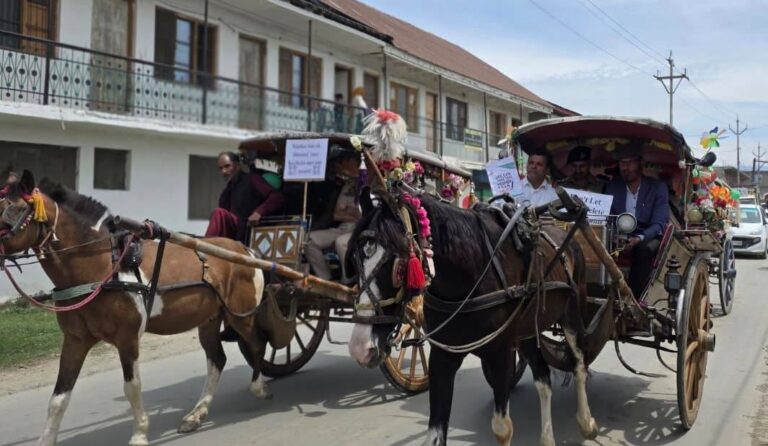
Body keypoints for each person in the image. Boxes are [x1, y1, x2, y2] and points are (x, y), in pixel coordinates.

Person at [604, 145, 669, 298]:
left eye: (630, 162)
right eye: (622, 163)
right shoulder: (613, 187)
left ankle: (634, 298)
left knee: (643, 250)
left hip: (647, 236)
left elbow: (659, 224)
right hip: (619, 235)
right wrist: (615, 237)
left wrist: (639, 238)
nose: (626, 167)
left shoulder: (657, 187)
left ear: (640, 164)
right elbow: (608, 218)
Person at [304, 147, 361, 283]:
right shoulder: (349, 186)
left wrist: (353, 215)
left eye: (346, 161)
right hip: (343, 228)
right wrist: (354, 215)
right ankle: (326, 279)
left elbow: (366, 215)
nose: (343, 164)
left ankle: (348, 281)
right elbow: (337, 214)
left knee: (341, 243)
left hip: (362, 230)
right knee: (309, 240)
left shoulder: (371, 186)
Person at [205, 152, 284, 243]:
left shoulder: (252, 180)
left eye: (227, 166)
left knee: (218, 212)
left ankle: (205, 245)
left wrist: (259, 212)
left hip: (250, 234)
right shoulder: (225, 193)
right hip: (233, 237)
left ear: (238, 166)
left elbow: (277, 197)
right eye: (221, 168)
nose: (224, 171)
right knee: (218, 213)